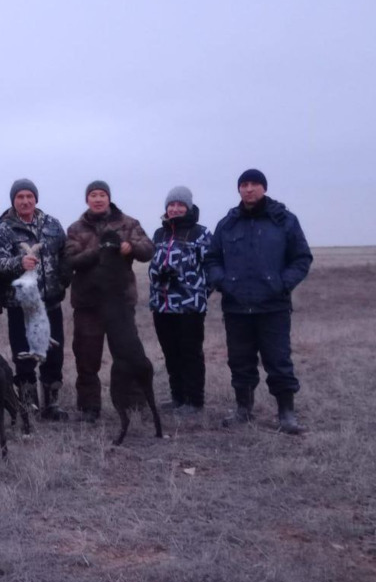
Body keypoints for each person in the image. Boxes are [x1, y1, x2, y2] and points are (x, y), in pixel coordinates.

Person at [203, 169, 313, 434]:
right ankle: (243, 409)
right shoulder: (227, 223)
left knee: (278, 360)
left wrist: (281, 284)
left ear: (264, 188)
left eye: (254, 184)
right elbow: (211, 258)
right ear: (238, 189)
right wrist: (224, 282)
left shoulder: (284, 220)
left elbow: (302, 258)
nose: (248, 189)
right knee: (240, 360)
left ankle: (286, 413)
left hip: (273, 307)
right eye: (244, 185)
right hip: (236, 306)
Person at [65, 180, 153, 423]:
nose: (98, 199)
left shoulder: (128, 223)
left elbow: (148, 250)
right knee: (86, 357)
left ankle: (134, 403)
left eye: (102, 194)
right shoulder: (75, 229)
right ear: (87, 200)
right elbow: (70, 260)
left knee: (127, 353)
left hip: (120, 303)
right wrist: (102, 249)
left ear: (109, 198)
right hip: (88, 304)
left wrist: (130, 247)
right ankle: (89, 408)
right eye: (93, 195)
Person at [0, 178, 70, 422]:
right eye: (20, 197)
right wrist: (19, 263)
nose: (25, 201)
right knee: (24, 356)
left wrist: (64, 278)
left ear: (36, 199)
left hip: (50, 304)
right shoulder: (4, 230)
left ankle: (52, 405)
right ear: (13, 201)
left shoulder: (52, 225)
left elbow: (65, 254)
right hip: (21, 306)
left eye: (29, 196)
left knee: (53, 355)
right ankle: (29, 406)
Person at [148, 186, 212, 414]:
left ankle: (194, 401)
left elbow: (211, 268)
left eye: (180, 205)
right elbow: (153, 264)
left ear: (189, 207)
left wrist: (197, 291)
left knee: (191, 353)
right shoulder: (159, 234)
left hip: (189, 306)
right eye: (171, 205)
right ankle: (177, 396)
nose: (175, 209)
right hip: (162, 305)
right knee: (171, 353)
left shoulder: (201, 233)